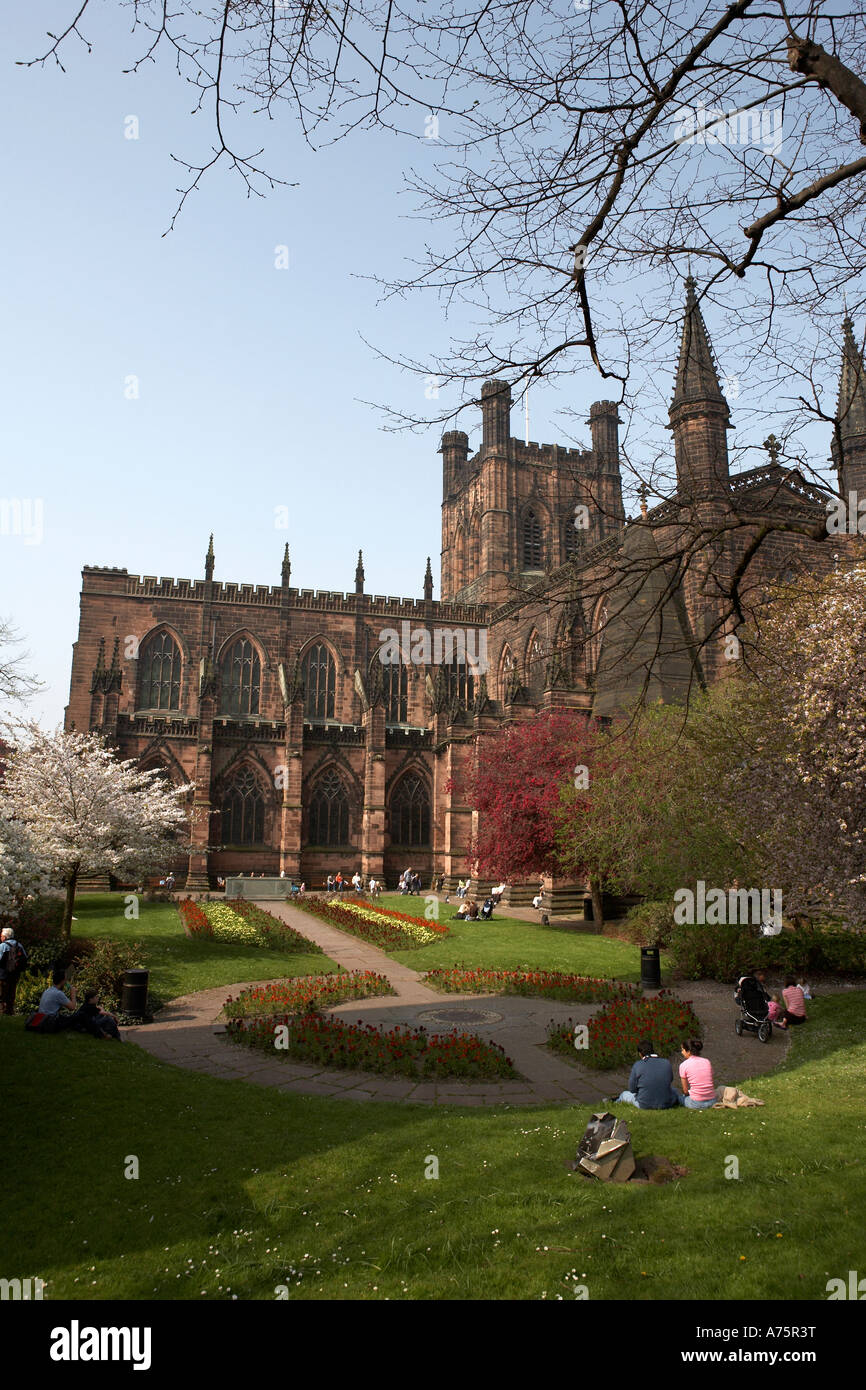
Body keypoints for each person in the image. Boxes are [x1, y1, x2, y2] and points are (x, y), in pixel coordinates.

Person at [614, 1038, 680, 1109]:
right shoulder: (666, 1063)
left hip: (644, 1104)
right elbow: (670, 1080)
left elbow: (632, 1089)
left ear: (640, 1053)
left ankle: (614, 1103)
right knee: (674, 1090)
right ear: (652, 1050)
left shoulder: (638, 1065)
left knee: (624, 1094)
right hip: (666, 1103)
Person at [26, 969, 78, 1033]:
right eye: (65, 980)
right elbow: (72, 1007)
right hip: (49, 1022)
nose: (66, 982)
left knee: (65, 1016)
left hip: (42, 1019)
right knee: (78, 1016)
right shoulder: (58, 993)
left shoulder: (48, 990)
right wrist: (73, 994)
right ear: (62, 981)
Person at [677, 1038, 716, 1109]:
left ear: (688, 1051)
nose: (682, 1052)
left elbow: (685, 1090)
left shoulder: (683, 1065)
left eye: (683, 1050)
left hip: (696, 1103)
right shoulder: (707, 1061)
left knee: (679, 1097)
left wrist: (687, 1095)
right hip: (712, 1100)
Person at [0, 926, 28, 1017]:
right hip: (15, 974)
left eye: (1, 936)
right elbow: (25, 958)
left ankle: (2, 1010)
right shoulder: (19, 945)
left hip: (3, 974)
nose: (0, 938)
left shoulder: (2, 946)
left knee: (2, 992)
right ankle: (10, 1010)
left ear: (5, 937)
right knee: (12, 992)